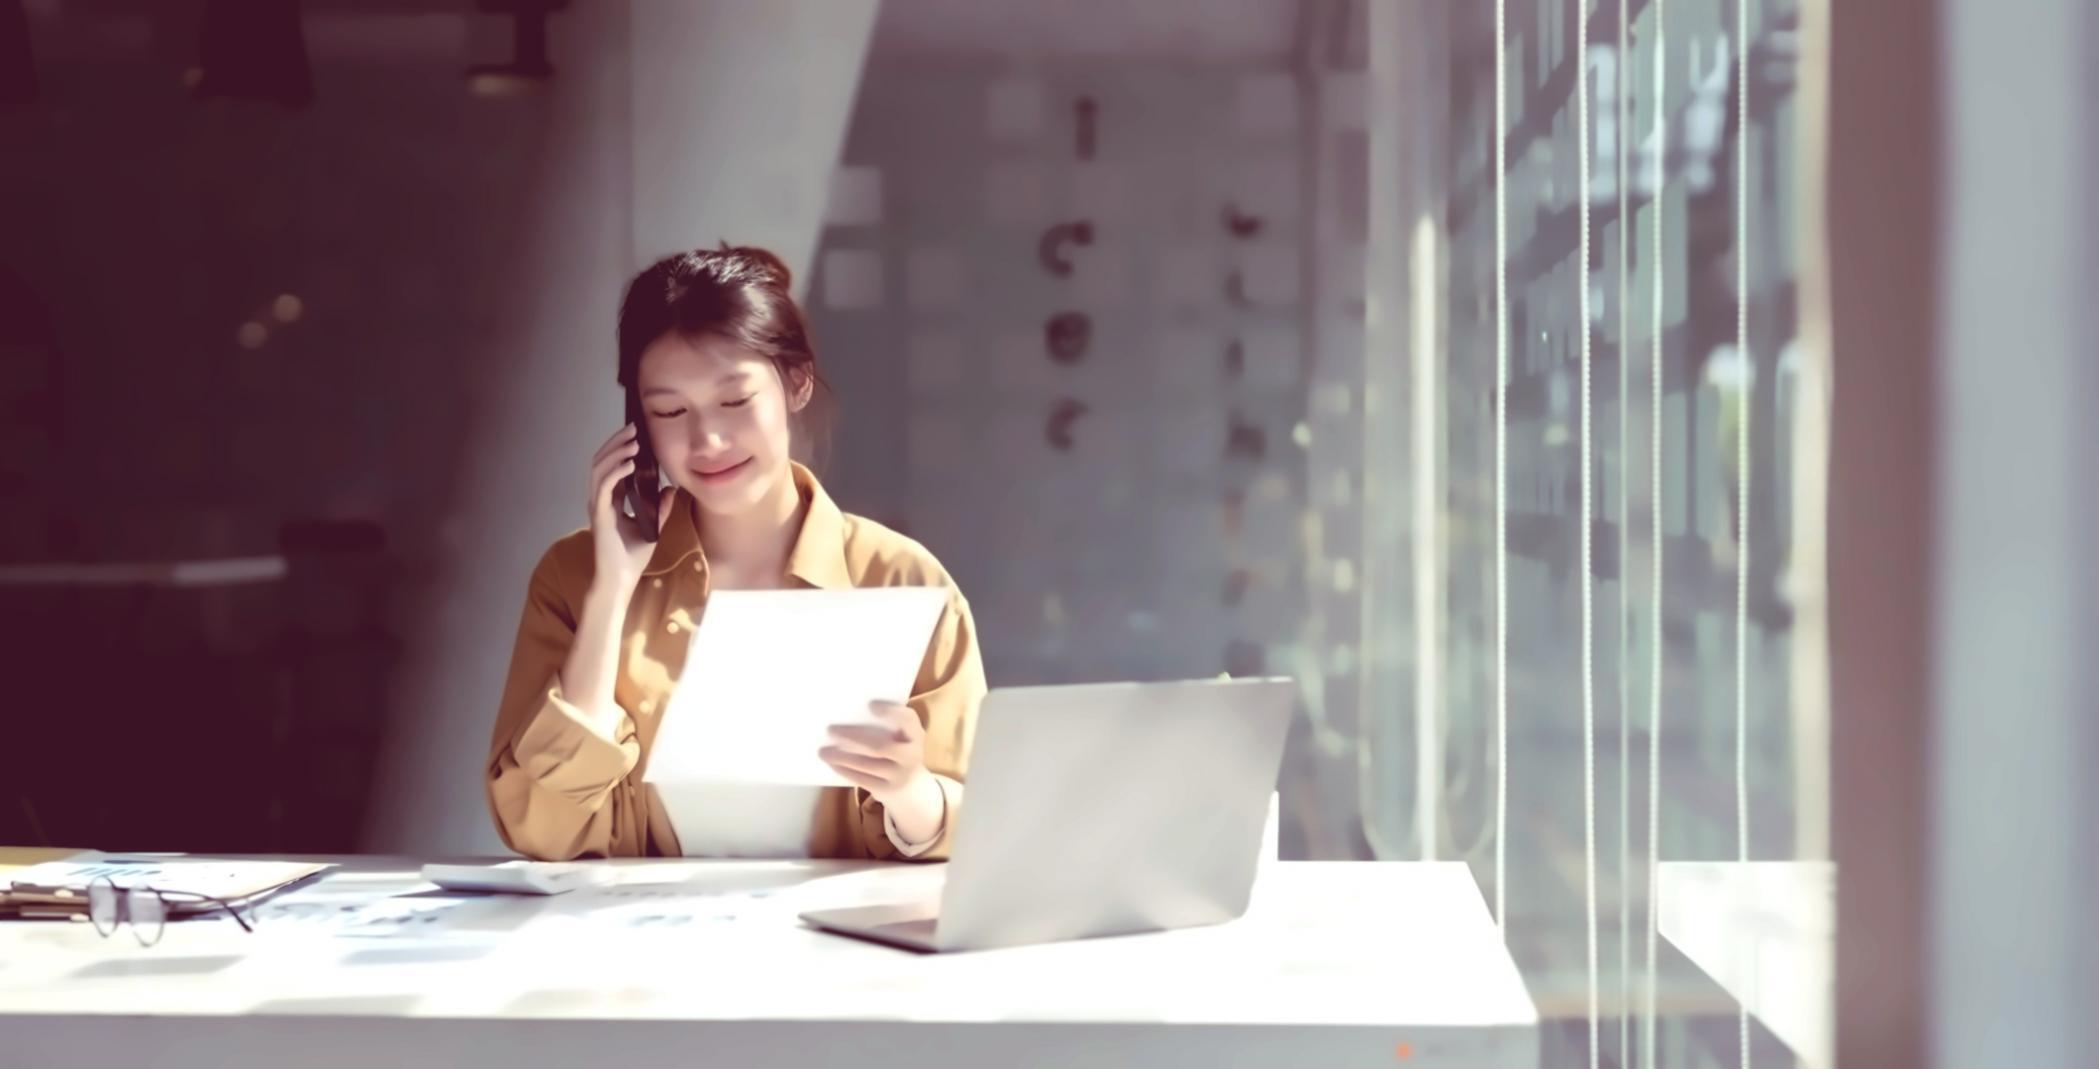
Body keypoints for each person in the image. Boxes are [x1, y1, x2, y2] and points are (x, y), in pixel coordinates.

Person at [485, 245, 984, 861]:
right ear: (638, 424)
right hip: (635, 944)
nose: (708, 440)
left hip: (841, 948)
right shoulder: (575, 577)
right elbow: (541, 829)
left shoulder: (902, 580)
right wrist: (612, 593)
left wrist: (909, 789)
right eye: (669, 410)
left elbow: (976, 835)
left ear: (796, 383)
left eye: (735, 401)